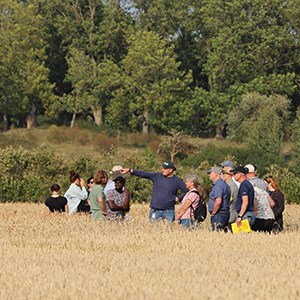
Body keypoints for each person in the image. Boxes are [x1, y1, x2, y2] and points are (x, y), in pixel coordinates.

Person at [121, 161, 188, 222]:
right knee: (154, 230)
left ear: (171, 170)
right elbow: (144, 174)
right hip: (155, 211)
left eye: (165, 169)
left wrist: (179, 198)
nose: (162, 170)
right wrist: (130, 170)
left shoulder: (177, 181)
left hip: (169, 211)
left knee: (168, 231)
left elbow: (187, 191)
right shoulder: (157, 176)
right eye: (162, 168)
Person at [207, 167, 230, 231]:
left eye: (210, 173)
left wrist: (214, 212)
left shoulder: (218, 186)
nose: (209, 175)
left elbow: (218, 201)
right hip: (224, 213)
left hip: (219, 214)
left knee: (217, 232)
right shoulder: (224, 184)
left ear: (216, 174)